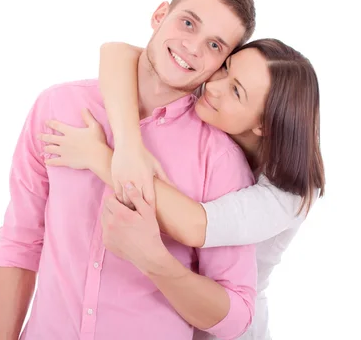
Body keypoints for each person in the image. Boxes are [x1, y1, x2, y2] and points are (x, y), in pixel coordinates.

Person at [0, 0, 259, 340]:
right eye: (187, 23)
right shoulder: (58, 107)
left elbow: (236, 315)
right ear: (160, 14)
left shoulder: (220, 159)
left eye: (214, 44)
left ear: (222, 64)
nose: (193, 47)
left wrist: (155, 261)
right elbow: (20, 242)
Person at [39, 38, 325, 339]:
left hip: (227, 325)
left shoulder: (289, 193)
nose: (214, 86)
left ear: (264, 125)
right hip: (171, 314)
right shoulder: (213, 115)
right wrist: (129, 141)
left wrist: (101, 158)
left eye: (236, 91)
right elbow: (117, 52)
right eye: (225, 68)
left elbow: (196, 225)